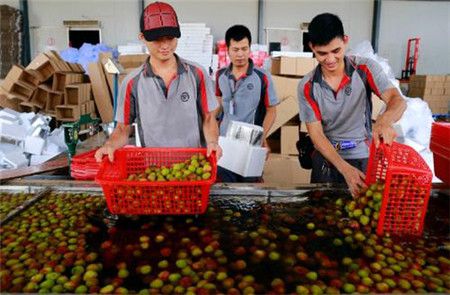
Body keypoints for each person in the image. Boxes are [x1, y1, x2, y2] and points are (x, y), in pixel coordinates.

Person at [95, 1, 221, 162]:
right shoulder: (132, 83)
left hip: (194, 167)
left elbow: (209, 118)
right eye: (157, 39)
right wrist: (110, 145)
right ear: (142, 37)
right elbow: (122, 128)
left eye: (170, 38)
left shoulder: (197, 74)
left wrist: (213, 142)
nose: (165, 45)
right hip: (154, 169)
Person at [298, 13, 406, 196]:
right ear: (312, 48)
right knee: (322, 212)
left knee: (362, 210)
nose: (330, 59)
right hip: (326, 160)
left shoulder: (365, 69)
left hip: (361, 156)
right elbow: (316, 135)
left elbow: (397, 100)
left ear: (345, 41)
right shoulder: (307, 86)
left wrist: (383, 121)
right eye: (322, 53)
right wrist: (344, 169)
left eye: (336, 51)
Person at [215, 25, 279, 182]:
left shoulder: (262, 77)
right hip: (224, 144)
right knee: (225, 195)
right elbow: (217, 108)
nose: (240, 54)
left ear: (250, 48)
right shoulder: (220, 75)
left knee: (249, 197)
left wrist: (262, 137)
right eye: (235, 49)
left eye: (244, 49)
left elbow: (272, 111)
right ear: (228, 50)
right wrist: (213, 138)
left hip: (251, 144)